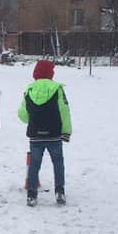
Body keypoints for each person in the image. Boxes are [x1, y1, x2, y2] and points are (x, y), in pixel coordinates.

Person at [18, 59, 71, 206]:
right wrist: (66, 131)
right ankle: (60, 191)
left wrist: (33, 118)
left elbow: (23, 115)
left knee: (34, 165)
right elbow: (64, 111)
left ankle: (31, 195)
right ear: (51, 73)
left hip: (35, 135)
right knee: (58, 162)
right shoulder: (57, 89)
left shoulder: (29, 90)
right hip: (54, 134)